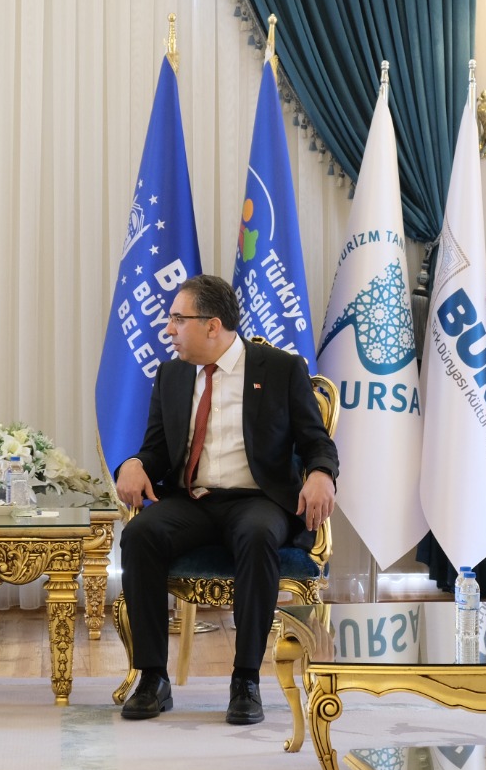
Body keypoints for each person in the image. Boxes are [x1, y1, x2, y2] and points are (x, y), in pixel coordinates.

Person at [116, 275, 338, 725]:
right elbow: (156, 448)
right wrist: (134, 463)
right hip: (192, 501)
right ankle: (153, 677)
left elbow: (316, 442)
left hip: (258, 499)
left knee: (257, 535)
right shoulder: (172, 374)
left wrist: (321, 474)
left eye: (178, 319)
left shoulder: (280, 369)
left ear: (212, 325)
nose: (169, 329)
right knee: (140, 535)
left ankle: (245, 680)